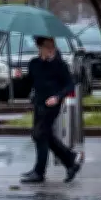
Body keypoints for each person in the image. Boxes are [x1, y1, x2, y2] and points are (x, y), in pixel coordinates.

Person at [20, 36, 84, 184]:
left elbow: (69, 85)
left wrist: (57, 97)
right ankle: (71, 161)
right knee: (44, 135)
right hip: (39, 103)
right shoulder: (34, 64)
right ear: (40, 48)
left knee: (40, 134)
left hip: (52, 105)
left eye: (52, 46)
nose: (51, 49)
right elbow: (29, 84)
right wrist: (20, 77)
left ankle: (39, 172)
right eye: (47, 46)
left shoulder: (59, 65)